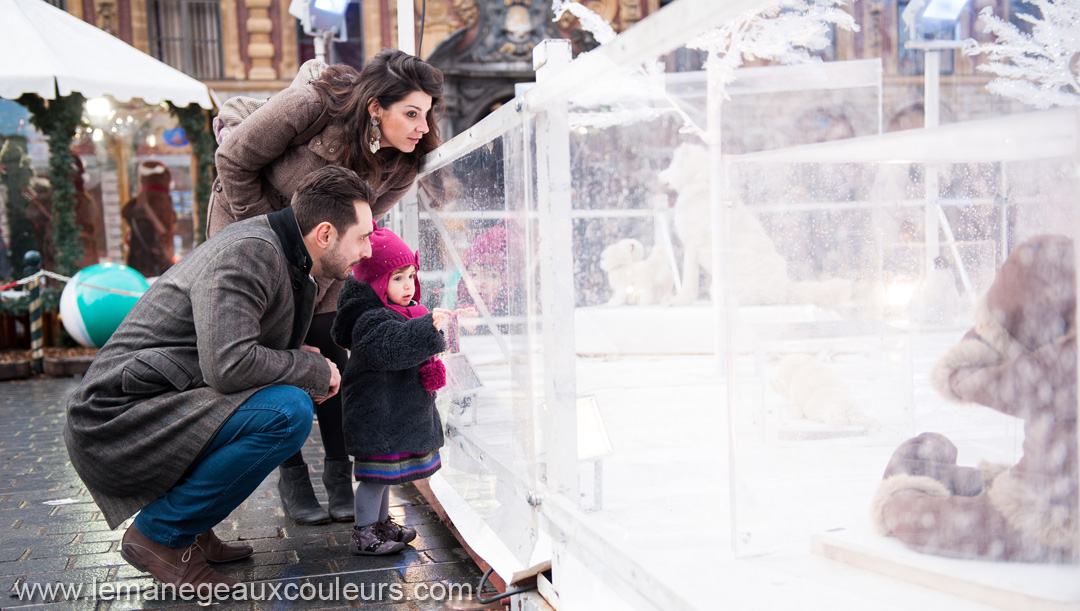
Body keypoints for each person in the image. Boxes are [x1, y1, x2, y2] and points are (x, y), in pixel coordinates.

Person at [63, 166, 376, 590]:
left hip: (159, 400)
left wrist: (296, 359)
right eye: (363, 236)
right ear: (324, 234)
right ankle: (161, 535)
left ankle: (191, 527)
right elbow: (228, 364)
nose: (369, 250)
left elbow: (224, 347)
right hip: (116, 421)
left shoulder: (280, 249)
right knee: (286, 412)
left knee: (285, 400)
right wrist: (311, 369)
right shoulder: (250, 251)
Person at [207, 49, 444, 525]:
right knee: (271, 356)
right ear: (376, 107)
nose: (422, 126)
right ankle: (291, 476)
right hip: (250, 235)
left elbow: (366, 223)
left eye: (427, 114)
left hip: (327, 262)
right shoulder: (314, 105)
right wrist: (274, 248)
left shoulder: (403, 163)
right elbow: (232, 161)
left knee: (334, 357)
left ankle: (341, 476)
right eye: (412, 113)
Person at [871, 234, 1077, 563]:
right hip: (1048, 487)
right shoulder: (1060, 345)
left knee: (919, 521)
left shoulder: (1063, 366)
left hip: (1054, 513)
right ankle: (914, 475)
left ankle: (901, 489)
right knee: (939, 491)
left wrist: (963, 372)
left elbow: (1003, 381)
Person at [331, 226, 459, 555]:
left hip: (391, 418)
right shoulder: (369, 320)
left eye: (411, 276)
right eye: (398, 278)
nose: (408, 285)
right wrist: (426, 327)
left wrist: (438, 325)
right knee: (373, 478)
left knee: (383, 477)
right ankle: (363, 533)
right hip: (375, 417)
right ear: (376, 282)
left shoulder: (405, 311)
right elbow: (395, 347)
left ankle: (380, 524)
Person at [121, 160, 175, 277]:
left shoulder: (143, 200)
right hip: (156, 258)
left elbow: (126, 212)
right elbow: (164, 231)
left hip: (144, 258)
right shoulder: (161, 199)